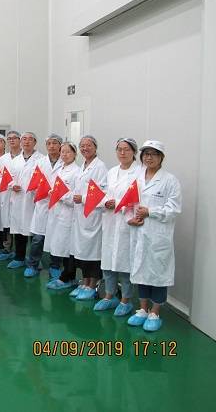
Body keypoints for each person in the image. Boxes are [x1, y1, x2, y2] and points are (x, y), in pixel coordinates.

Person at [127, 140, 181, 331]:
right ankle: (142, 309)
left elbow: (174, 209)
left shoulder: (170, 180)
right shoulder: (137, 178)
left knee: (158, 274)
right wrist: (130, 218)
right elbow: (129, 202)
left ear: (161, 157)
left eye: (153, 154)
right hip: (139, 232)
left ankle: (155, 312)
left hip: (158, 236)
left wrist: (151, 212)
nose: (149, 157)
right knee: (140, 271)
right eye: (146, 154)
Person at [94, 138, 141, 315]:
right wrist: (106, 202)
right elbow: (104, 193)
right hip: (110, 220)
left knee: (125, 263)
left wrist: (119, 204)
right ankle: (109, 296)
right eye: (119, 149)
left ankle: (126, 300)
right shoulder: (112, 171)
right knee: (107, 261)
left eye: (127, 149)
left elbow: (138, 198)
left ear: (134, 152)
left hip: (126, 223)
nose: (122, 153)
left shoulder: (139, 173)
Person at [69, 135, 108, 300]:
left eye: (88, 145)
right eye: (82, 146)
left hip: (93, 215)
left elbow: (102, 193)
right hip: (81, 216)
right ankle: (84, 282)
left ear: (95, 147)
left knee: (93, 252)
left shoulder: (100, 167)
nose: (85, 148)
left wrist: (83, 199)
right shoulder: (83, 166)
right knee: (83, 251)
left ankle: (93, 285)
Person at [26, 133, 64, 279]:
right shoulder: (40, 162)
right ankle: (32, 265)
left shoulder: (65, 162)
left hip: (59, 205)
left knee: (56, 238)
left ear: (60, 145)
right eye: (49, 143)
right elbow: (33, 182)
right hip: (42, 204)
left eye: (55, 143)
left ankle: (55, 266)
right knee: (38, 239)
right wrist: (41, 191)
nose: (51, 146)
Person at [7, 132, 45, 271]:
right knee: (18, 229)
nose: (27, 142)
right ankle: (19, 257)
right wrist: (12, 185)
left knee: (34, 231)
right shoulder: (15, 160)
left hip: (34, 200)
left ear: (35, 142)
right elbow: (9, 177)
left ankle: (34, 260)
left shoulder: (42, 159)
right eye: (24, 139)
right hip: (18, 198)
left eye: (30, 139)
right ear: (21, 142)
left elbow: (45, 179)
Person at [45, 142, 81, 290]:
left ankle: (68, 277)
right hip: (57, 212)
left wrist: (60, 195)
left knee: (68, 248)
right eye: (63, 152)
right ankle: (65, 275)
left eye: (68, 152)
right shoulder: (61, 169)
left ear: (75, 154)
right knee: (60, 246)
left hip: (69, 214)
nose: (65, 155)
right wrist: (52, 192)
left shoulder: (77, 172)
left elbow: (75, 197)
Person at [0, 131, 21, 261]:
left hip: (21, 193)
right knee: (7, 221)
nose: (12, 140)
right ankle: (7, 248)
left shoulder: (24, 157)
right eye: (9, 138)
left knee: (20, 223)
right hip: (6, 193)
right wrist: (7, 183)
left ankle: (20, 252)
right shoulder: (4, 158)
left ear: (19, 140)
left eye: (14, 138)